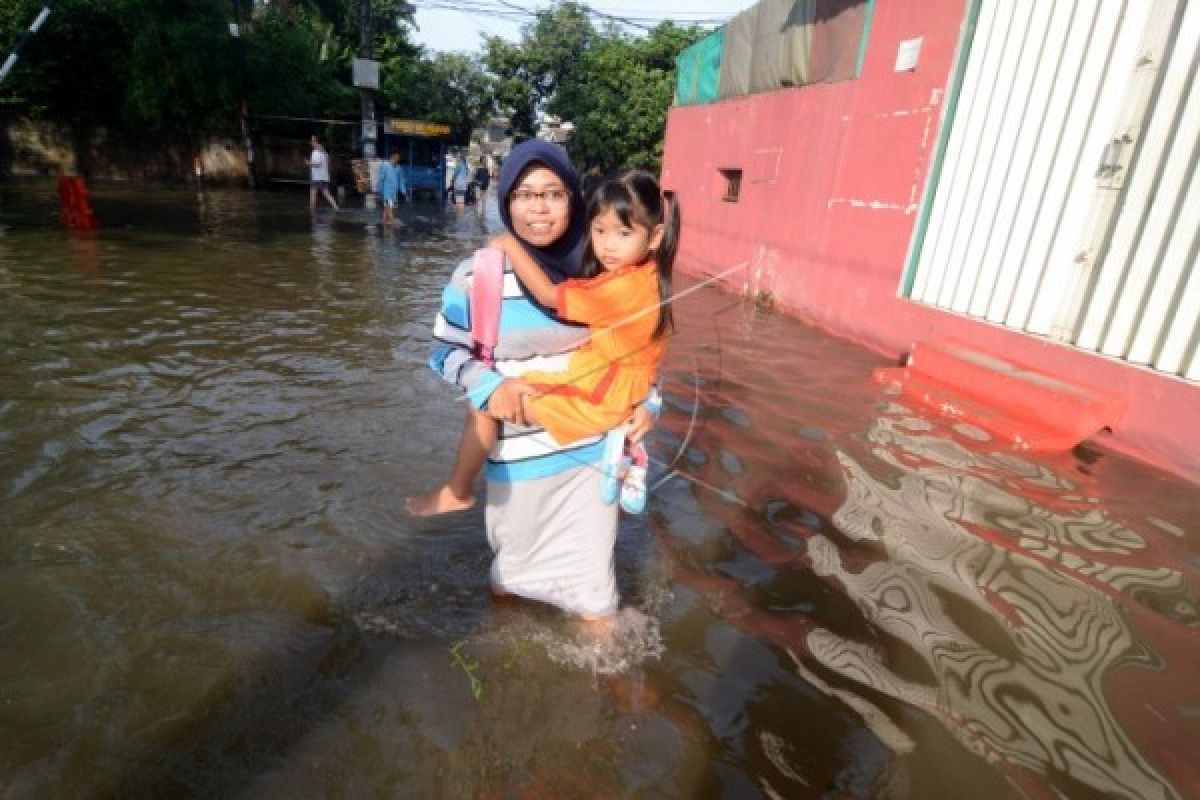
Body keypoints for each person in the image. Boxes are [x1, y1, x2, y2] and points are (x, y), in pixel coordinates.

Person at [410, 140, 657, 627]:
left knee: (594, 594)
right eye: (525, 194)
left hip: (593, 458)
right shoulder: (477, 275)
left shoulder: (608, 264)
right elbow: (444, 350)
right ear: (505, 201)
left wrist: (649, 401)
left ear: (575, 199)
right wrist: (489, 388)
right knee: (509, 577)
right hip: (514, 460)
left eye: (554, 194)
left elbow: (641, 348)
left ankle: (611, 691)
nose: (539, 209)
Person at [408, 168, 678, 518]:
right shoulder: (643, 274)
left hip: (599, 395)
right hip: (607, 386)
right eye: (599, 231)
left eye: (553, 194)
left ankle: (458, 491)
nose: (608, 245)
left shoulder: (613, 284)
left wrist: (508, 245)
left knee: (483, 404)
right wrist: (647, 401)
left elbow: (550, 295)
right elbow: (445, 349)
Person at [306, 135, 339, 211]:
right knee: (325, 193)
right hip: (324, 176)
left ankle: (311, 210)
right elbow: (327, 162)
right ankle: (336, 207)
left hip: (317, 177)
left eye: (313, 140)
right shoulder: (325, 153)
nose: (311, 142)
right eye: (311, 140)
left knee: (313, 193)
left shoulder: (316, 152)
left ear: (317, 142)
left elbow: (318, 164)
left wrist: (309, 163)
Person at [378, 152, 407, 224]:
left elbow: (401, 181)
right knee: (390, 208)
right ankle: (392, 225)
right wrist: (380, 190)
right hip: (386, 192)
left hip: (394, 192)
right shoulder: (385, 165)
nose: (398, 159)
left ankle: (383, 222)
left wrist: (404, 192)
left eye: (398, 158)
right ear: (392, 157)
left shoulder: (399, 168)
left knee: (386, 208)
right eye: (397, 157)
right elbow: (381, 179)